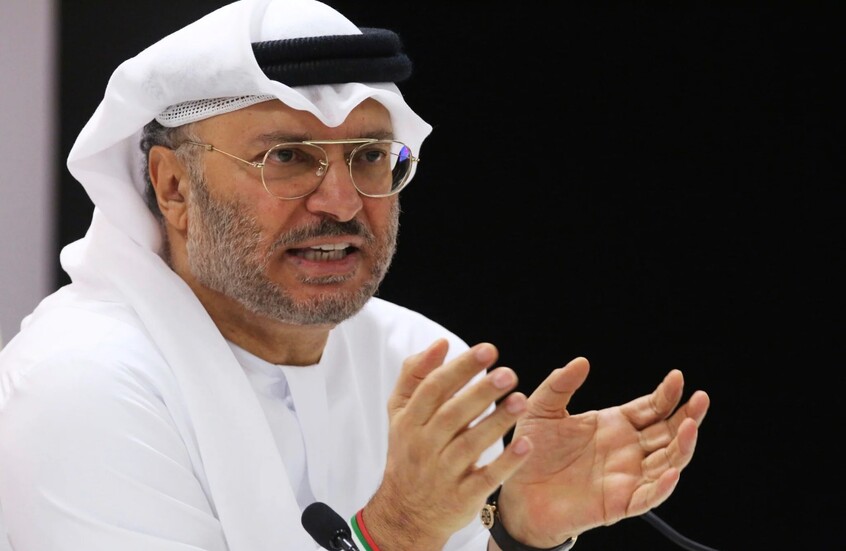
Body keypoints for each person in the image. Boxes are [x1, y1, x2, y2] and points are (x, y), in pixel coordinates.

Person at [0, 0, 711, 550]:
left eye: (370, 156)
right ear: (174, 187)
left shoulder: (419, 360)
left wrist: (519, 533)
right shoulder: (82, 382)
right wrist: (396, 531)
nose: (342, 202)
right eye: (287, 158)